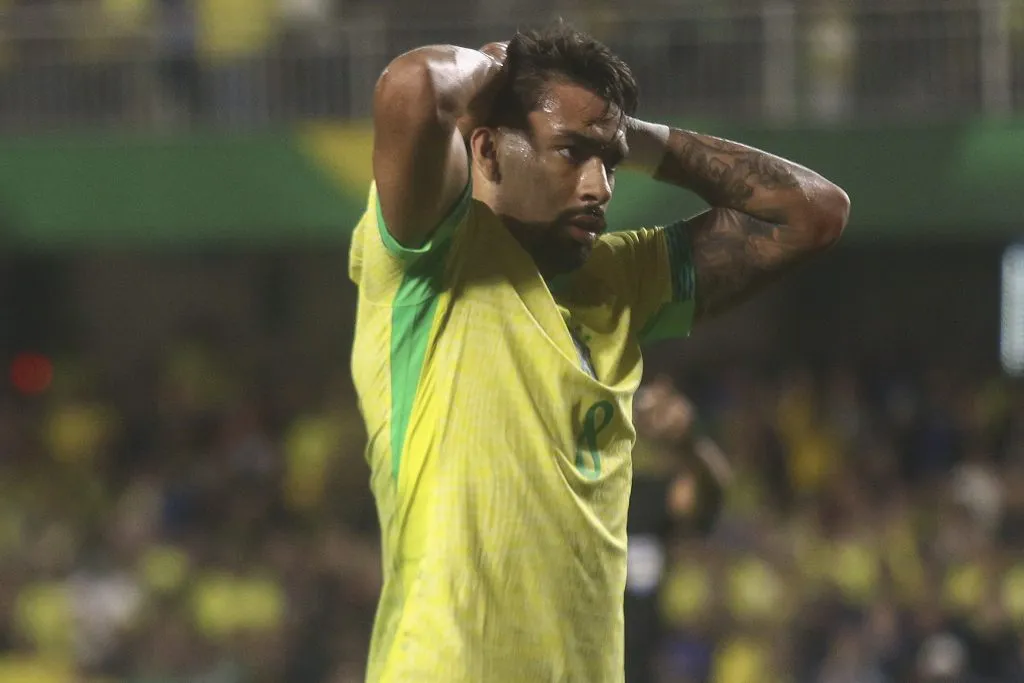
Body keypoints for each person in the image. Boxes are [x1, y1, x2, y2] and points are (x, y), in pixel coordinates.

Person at [348, 21, 850, 683]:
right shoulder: (434, 260)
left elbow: (813, 213)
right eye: (569, 153)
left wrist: (625, 134)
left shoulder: (623, 277)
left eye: (609, 163)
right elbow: (411, 88)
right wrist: (497, 68)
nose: (600, 187)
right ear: (490, 153)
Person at [625, 376, 732, 683]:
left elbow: (713, 491)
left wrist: (689, 438)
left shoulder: (653, 492)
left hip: (640, 657)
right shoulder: (579, 481)